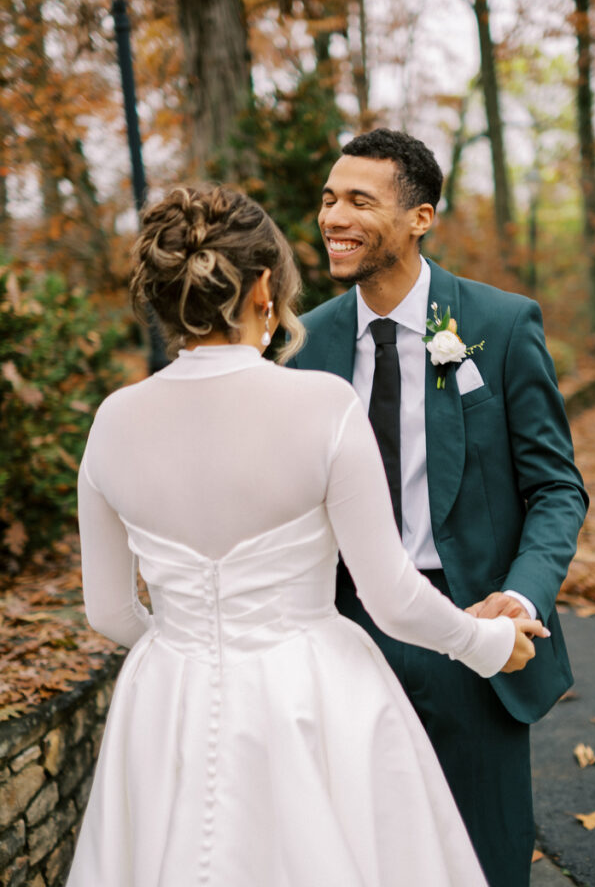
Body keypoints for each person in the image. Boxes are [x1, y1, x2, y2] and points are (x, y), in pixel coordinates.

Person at [66, 185, 547, 887]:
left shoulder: (113, 420)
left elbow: (107, 613)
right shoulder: (321, 404)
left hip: (167, 697)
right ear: (263, 287)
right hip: (309, 693)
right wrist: (488, 644)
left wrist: (197, 652)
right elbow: (389, 596)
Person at [288, 128, 589, 887]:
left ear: (420, 218)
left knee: (484, 859)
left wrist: (518, 599)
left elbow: (555, 487)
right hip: (345, 635)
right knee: (359, 859)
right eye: (328, 199)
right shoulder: (299, 344)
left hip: (470, 632)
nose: (333, 217)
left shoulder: (499, 324)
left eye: (360, 200)